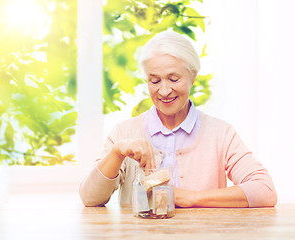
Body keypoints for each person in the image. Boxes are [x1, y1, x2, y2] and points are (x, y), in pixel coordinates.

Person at [79, 31, 277, 208]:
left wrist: (190, 198)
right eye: (154, 80)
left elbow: (264, 191)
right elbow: (89, 198)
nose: (164, 91)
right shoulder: (124, 133)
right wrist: (117, 153)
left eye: (174, 79)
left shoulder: (221, 133)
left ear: (193, 76)